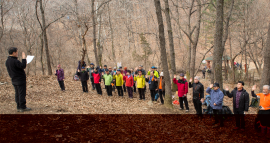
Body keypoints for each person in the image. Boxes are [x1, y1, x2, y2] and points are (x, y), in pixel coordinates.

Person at [5, 47, 31, 112]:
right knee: (21, 93)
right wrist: (24, 58)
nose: (17, 53)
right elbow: (23, 66)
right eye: (16, 52)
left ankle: (18, 107)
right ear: (13, 53)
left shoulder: (7, 61)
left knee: (17, 93)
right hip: (20, 80)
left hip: (14, 79)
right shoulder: (15, 61)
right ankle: (22, 107)